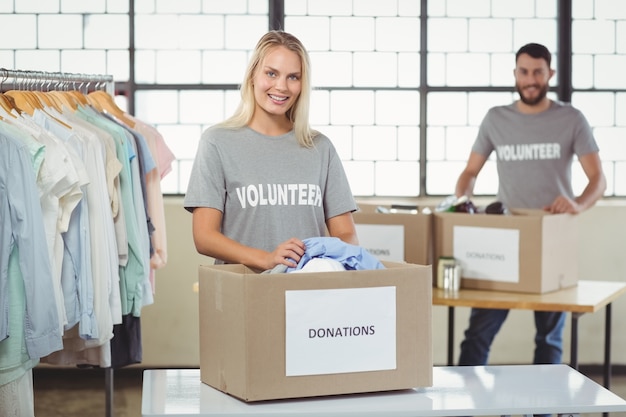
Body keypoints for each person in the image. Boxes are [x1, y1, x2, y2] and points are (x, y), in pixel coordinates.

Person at [454, 42, 606, 366]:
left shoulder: (572, 119)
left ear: (550, 73)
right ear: (515, 74)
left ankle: (546, 413)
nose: (531, 79)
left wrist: (578, 204)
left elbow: (598, 180)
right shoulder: (496, 118)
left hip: (553, 241)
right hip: (504, 244)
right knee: (478, 335)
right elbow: (469, 172)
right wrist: (463, 203)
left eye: (538, 72)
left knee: (549, 339)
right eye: (524, 72)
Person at [183, 30, 359, 270]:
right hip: (243, 292)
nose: (281, 86)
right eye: (271, 73)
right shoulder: (217, 142)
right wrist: (266, 259)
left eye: (293, 77)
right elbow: (204, 237)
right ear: (253, 75)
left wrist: (320, 263)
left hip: (307, 294)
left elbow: (346, 234)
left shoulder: (320, 147)